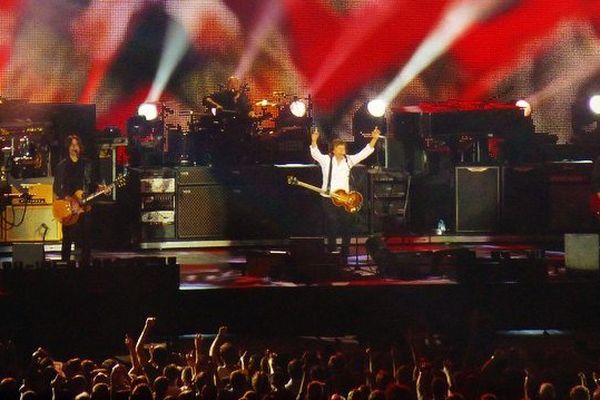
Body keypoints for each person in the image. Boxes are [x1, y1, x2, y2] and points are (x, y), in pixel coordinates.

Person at [310, 127, 380, 259]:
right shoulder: (326, 160)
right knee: (332, 223)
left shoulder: (349, 160)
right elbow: (315, 153)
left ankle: (345, 251)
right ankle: (332, 250)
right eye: (340, 149)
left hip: (345, 199)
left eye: (344, 148)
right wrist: (314, 140)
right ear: (333, 150)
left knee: (346, 225)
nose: (343, 151)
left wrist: (374, 139)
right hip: (329, 198)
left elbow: (364, 153)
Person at [53, 134, 108, 265]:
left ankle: (86, 264)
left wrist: (101, 188)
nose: (74, 147)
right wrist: (70, 200)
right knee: (67, 237)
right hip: (69, 206)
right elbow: (57, 188)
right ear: (68, 148)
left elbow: (92, 182)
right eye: (72, 145)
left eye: (76, 145)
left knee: (86, 236)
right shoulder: (62, 166)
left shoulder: (87, 164)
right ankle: (65, 263)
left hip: (84, 204)